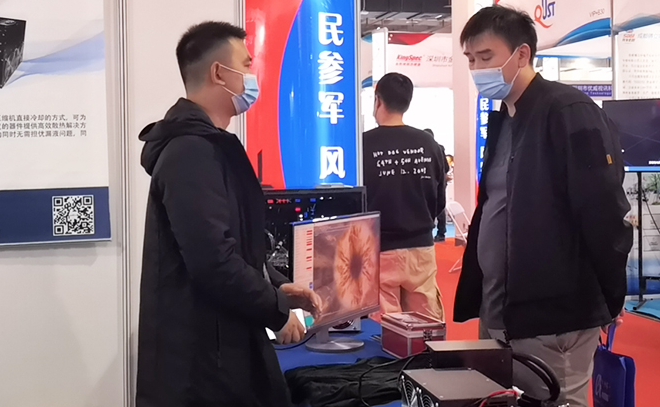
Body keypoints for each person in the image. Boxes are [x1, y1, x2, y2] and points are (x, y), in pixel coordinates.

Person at [136, 21, 322, 407]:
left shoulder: (208, 146)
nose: (252, 75)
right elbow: (213, 261)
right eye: (246, 64)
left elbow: (232, 242)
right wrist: (276, 310)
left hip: (216, 349)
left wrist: (276, 286)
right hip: (202, 365)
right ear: (219, 73)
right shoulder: (191, 152)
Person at [455, 6, 632, 407]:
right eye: (471, 59)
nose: (477, 69)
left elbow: (604, 212)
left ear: (521, 54)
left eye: (486, 57)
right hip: (501, 311)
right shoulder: (506, 119)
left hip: (554, 319)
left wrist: (611, 297)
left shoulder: (568, 112)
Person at [362, 73, 445, 322]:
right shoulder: (428, 144)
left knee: (383, 330)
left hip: (378, 249)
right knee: (426, 328)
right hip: (420, 249)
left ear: (378, 100)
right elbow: (439, 200)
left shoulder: (362, 145)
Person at [423, 128, 448, 242]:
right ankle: (441, 232)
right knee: (440, 206)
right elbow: (446, 167)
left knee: (430, 206)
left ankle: (432, 231)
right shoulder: (439, 148)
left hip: (427, 181)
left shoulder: (424, 149)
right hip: (440, 181)